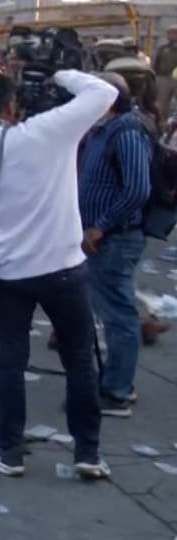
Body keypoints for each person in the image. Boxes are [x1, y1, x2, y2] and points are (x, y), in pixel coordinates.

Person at [0, 70, 117, 479]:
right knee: (80, 360)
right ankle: (88, 453)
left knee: (10, 360)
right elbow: (105, 91)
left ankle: (9, 452)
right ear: (11, 105)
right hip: (64, 266)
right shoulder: (47, 132)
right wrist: (60, 74)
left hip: (11, 273)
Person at [77, 72, 151, 417]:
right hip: (101, 236)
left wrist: (100, 227)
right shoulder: (101, 130)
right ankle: (114, 381)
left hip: (115, 238)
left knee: (119, 315)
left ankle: (117, 390)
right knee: (110, 310)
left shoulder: (127, 131)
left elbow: (137, 189)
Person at [153, 26, 177, 126]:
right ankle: (161, 127)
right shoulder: (163, 48)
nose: (171, 35)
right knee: (161, 105)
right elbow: (156, 64)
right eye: (169, 33)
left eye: (173, 33)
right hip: (163, 78)